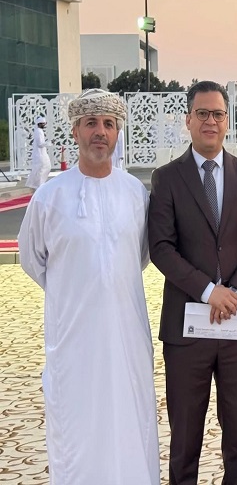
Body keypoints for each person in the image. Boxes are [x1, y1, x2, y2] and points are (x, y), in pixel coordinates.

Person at [18, 89, 159, 484]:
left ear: (118, 134)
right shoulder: (50, 197)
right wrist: (76, 292)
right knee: (78, 428)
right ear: (76, 131)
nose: (101, 132)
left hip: (127, 336)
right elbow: (33, 259)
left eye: (109, 124)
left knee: (131, 422)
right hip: (74, 340)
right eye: (92, 123)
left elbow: (141, 255)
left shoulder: (136, 194)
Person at [148, 80, 237, 485]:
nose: (210, 121)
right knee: (186, 438)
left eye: (218, 114)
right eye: (202, 113)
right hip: (187, 331)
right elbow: (162, 248)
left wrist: (234, 292)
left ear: (227, 121)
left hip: (236, 327)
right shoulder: (167, 178)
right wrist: (208, 291)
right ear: (188, 119)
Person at [26, 116, 50, 189]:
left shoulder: (39, 131)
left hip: (41, 153)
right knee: (42, 168)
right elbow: (40, 144)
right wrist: (49, 143)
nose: (44, 125)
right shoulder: (39, 131)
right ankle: (39, 185)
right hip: (40, 154)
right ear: (39, 124)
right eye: (42, 123)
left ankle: (38, 184)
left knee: (43, 168)